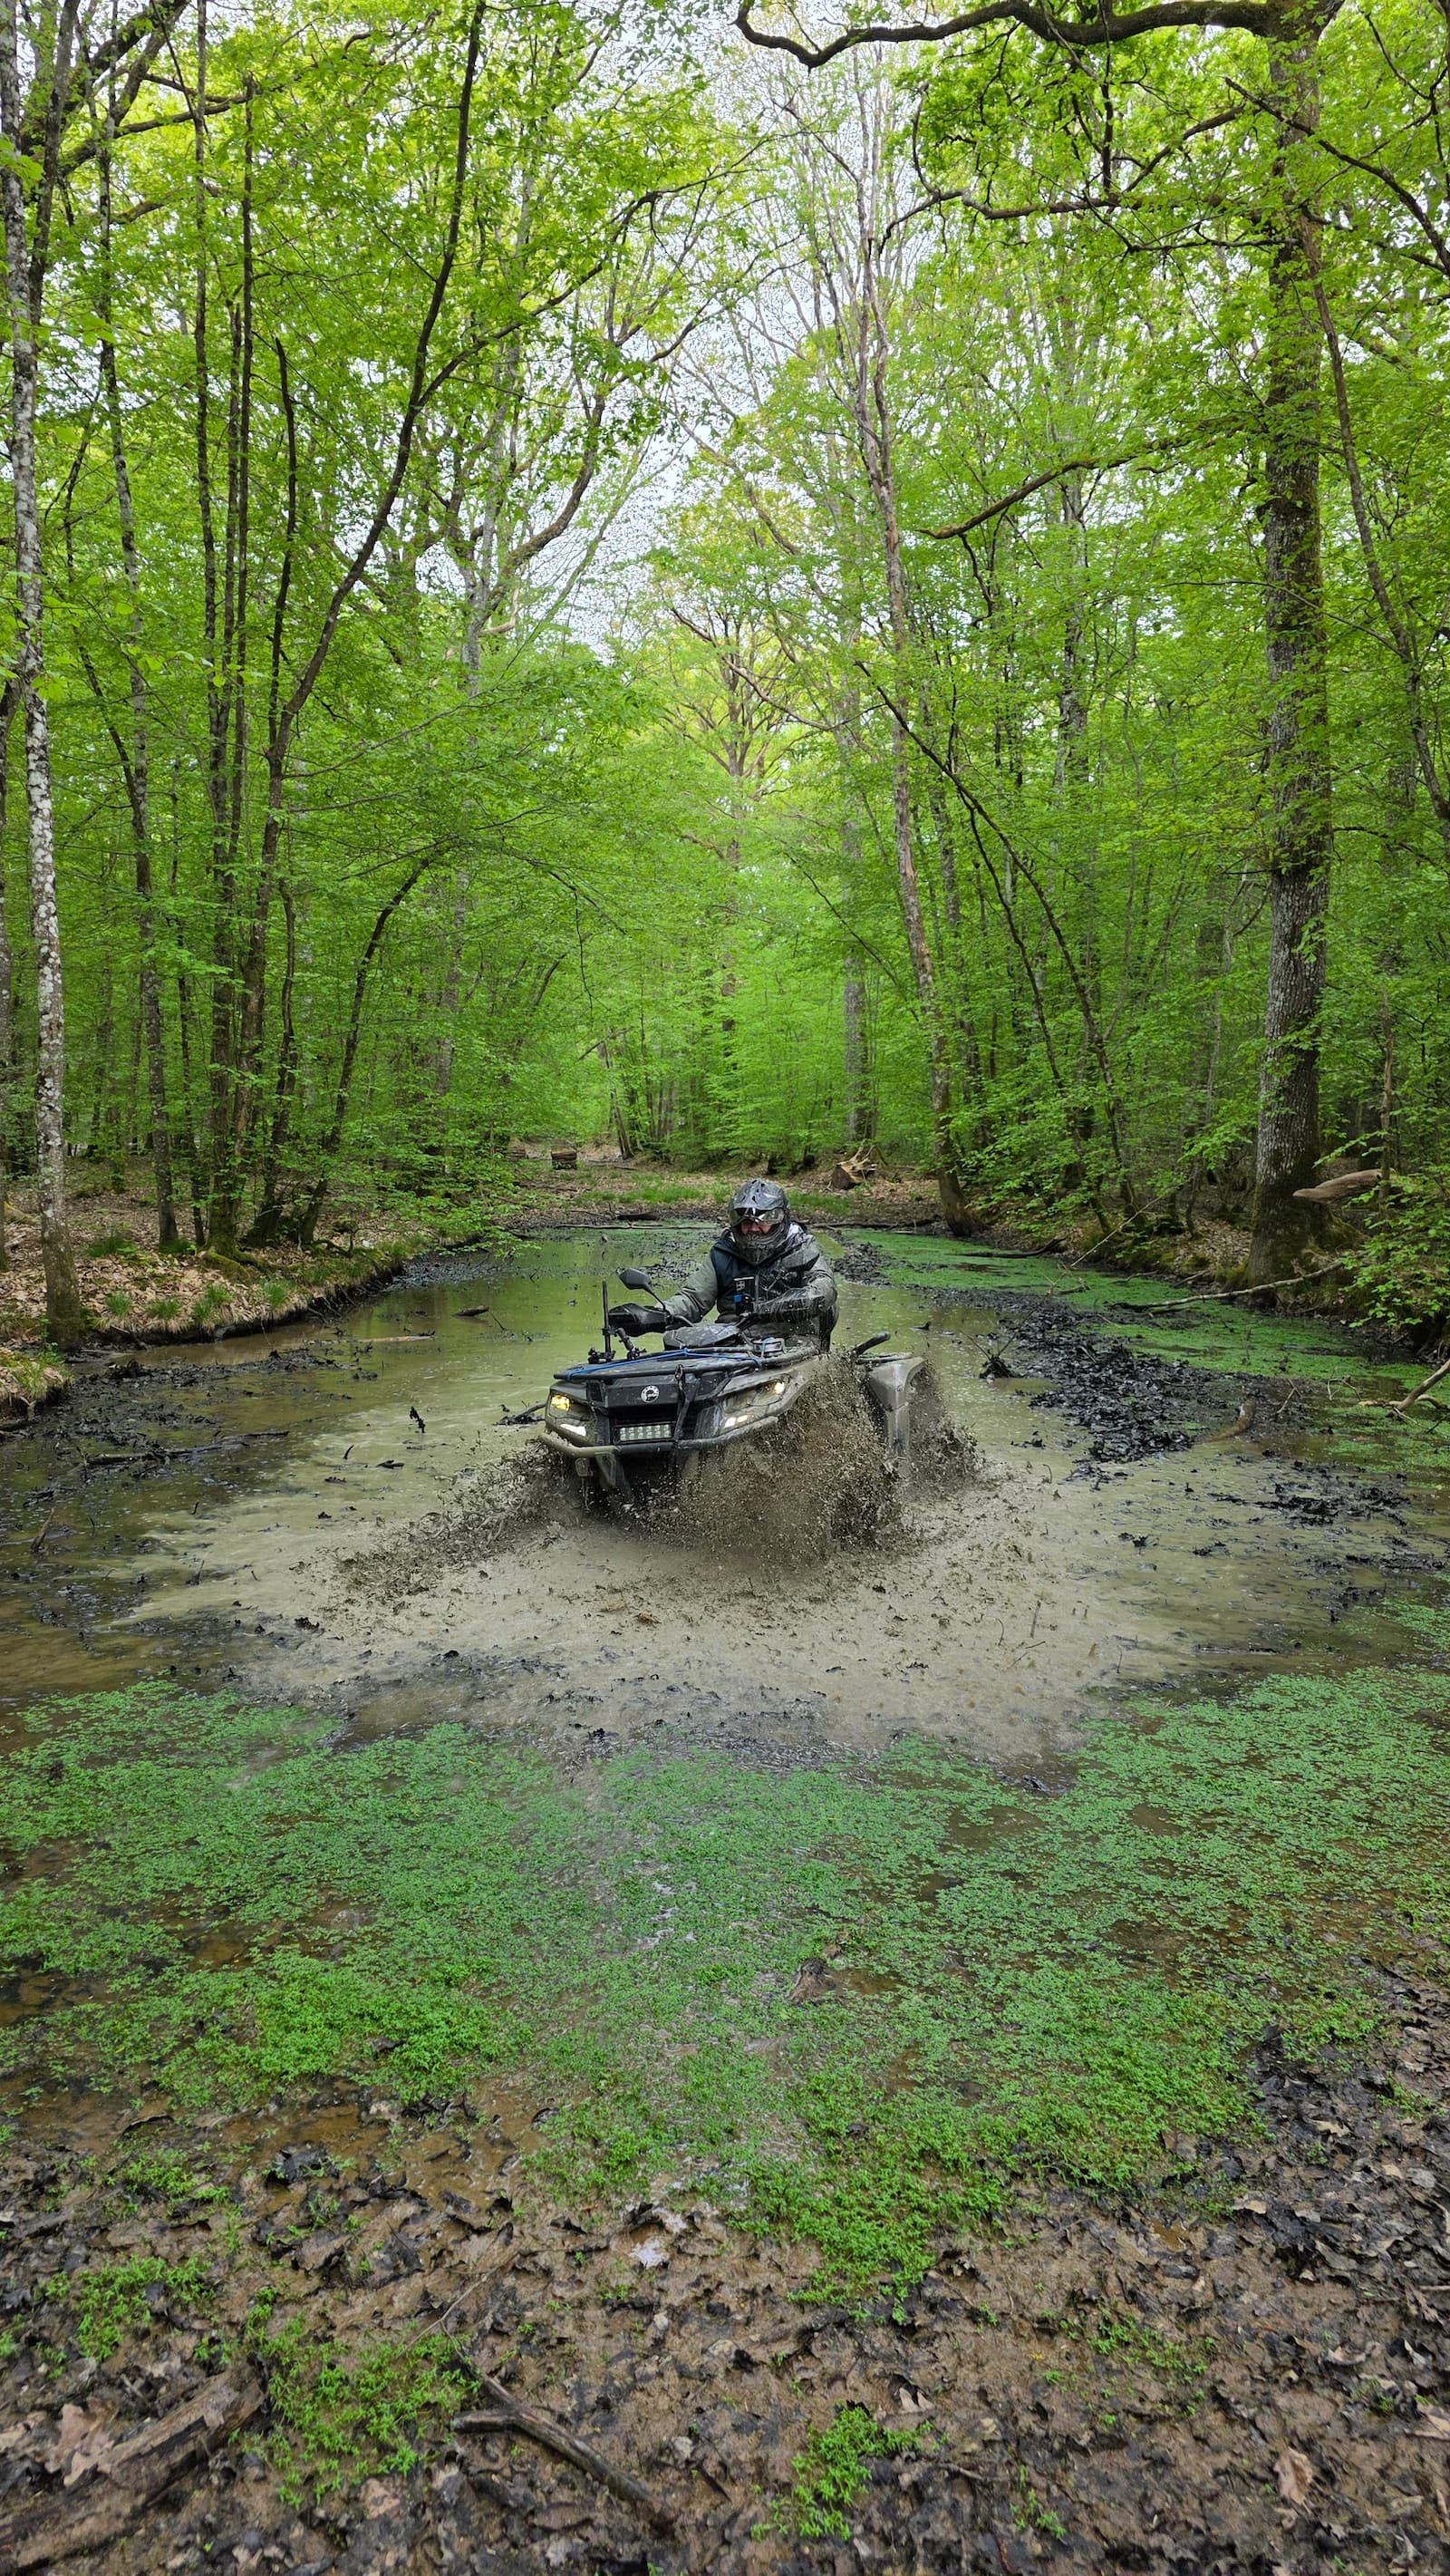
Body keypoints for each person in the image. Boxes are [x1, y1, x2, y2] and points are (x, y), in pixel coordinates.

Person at [609, 1179, 838, 1348]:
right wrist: (656, 1314)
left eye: (763, 1220)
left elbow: (822, 1292)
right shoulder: (723, 1253)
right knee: (675, 1341)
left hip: (791, 1342)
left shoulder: (802, 1249)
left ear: (780, 1220)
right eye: (745, 1222)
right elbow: (693, 1298)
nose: (753, 1228)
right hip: (732, 1340)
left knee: (802, 1353)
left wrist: (767, 1309)